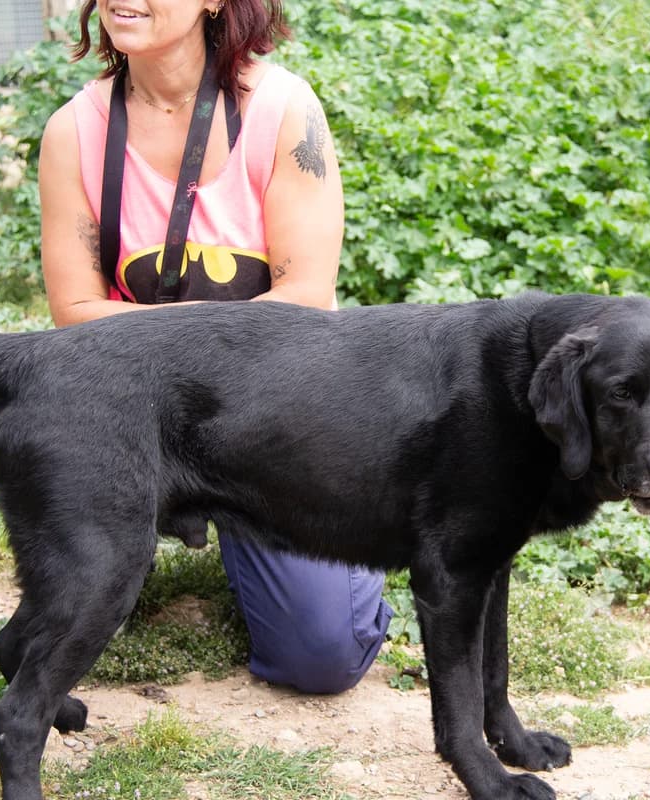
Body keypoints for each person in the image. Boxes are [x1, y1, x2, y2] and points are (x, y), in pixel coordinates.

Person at [37, 0, 392, 694]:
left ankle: (353, 534)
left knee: (321, 657)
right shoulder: (74, 132)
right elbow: (72, 313)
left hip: (274, 413)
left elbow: (304, 299)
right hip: (141, 420)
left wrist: (160, 340)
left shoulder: (282, 111)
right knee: (74, 613)